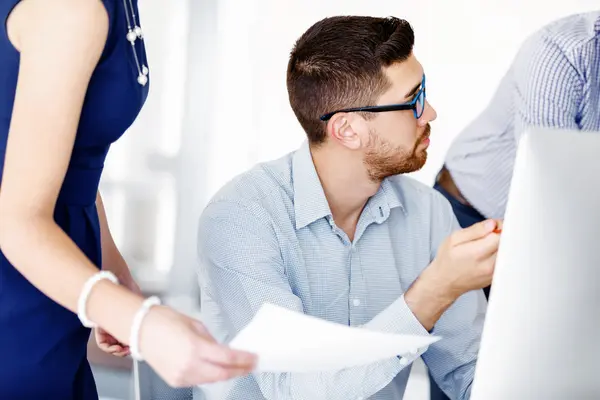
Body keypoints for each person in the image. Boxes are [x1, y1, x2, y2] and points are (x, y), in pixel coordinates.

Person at [196, 16, 501, 400]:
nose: (430, 113)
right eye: (413, 101)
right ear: (347, 130)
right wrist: (433, 292)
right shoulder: (241, 218)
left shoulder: (428, 213)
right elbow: (296, 390)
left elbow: (469, 373)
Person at [0, 0, 255, 398]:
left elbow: (66, 159)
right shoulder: (71, 10)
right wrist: (140, 321)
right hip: (17, 286)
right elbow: (15, 221)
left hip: (52, 272)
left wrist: (111, 270)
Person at [428, 10, 600, 400]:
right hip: (471, 212)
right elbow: (550, 195)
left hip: (572, 226)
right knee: (469, 375)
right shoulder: (563, 52)